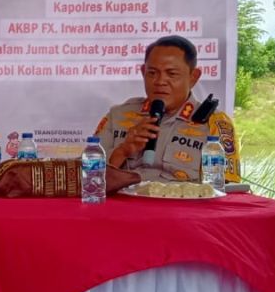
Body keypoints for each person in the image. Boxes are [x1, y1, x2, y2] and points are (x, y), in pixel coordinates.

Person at [95, 35, 240, 183]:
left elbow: (224, 190)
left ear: (193, 77)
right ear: (143, 72)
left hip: (182, 205)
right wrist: (123, 151)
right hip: (125, 204)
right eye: (152, 73)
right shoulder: (118, 115)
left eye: (171, 74)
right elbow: (88, 179)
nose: (160, 81)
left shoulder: (214, 125)